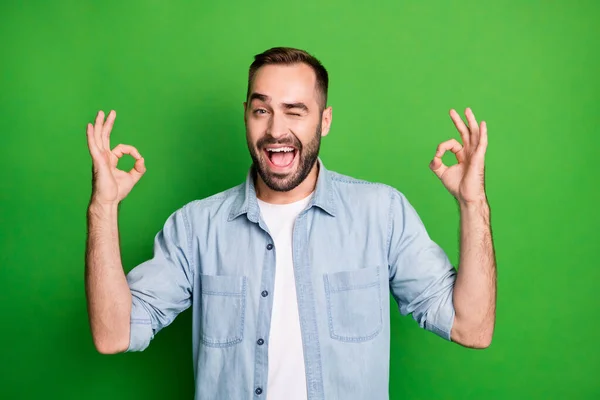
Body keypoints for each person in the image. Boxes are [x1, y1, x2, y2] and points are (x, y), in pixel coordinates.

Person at [85, 47, 497, 400]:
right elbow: (113, 335)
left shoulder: (381, 213)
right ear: (246, 114)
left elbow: (471, 327)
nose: (276, 130)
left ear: (325, 120)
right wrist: (102, 209)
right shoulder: (196, 227)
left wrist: (472, 201)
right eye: (262, 110)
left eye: (295, 111)